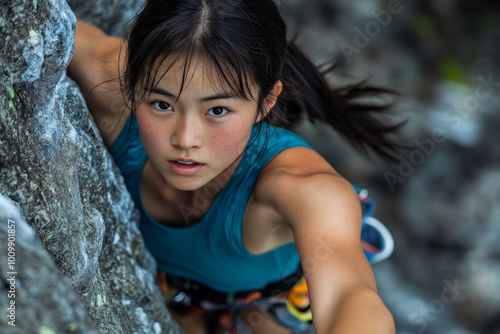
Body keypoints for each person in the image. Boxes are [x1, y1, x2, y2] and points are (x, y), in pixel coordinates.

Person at [68, 1, 402, 333]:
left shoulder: (303, 188)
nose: (186, 139)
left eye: (217, 111)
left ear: (266, 102)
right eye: (162, 104)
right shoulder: (110, 84)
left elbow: (350, 296)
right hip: (182, 283)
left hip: (273, 296)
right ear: (132, 83)